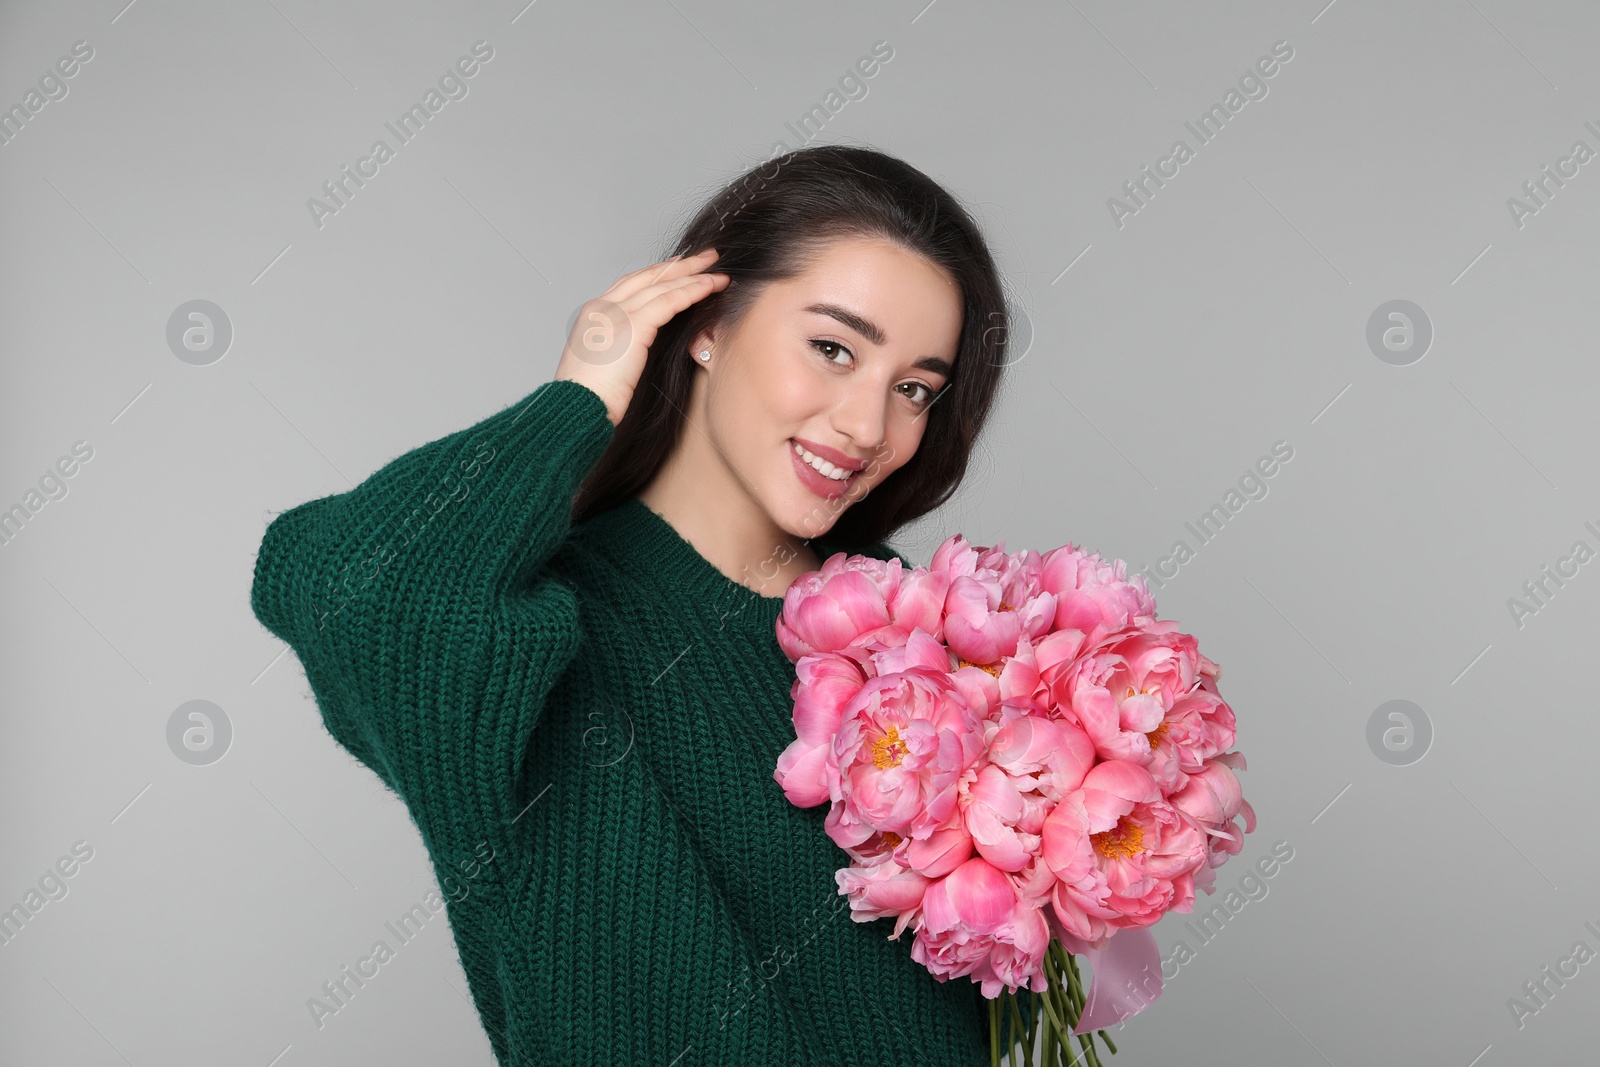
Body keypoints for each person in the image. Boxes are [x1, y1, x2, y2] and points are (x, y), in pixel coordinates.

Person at [250, 143, 1012, 1066]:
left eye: (914, 389)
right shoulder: (547, 627)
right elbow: (340, 585)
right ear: (708, 324)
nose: (867, 425)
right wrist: (577, 399)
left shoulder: (921, 630)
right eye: (832, 348)